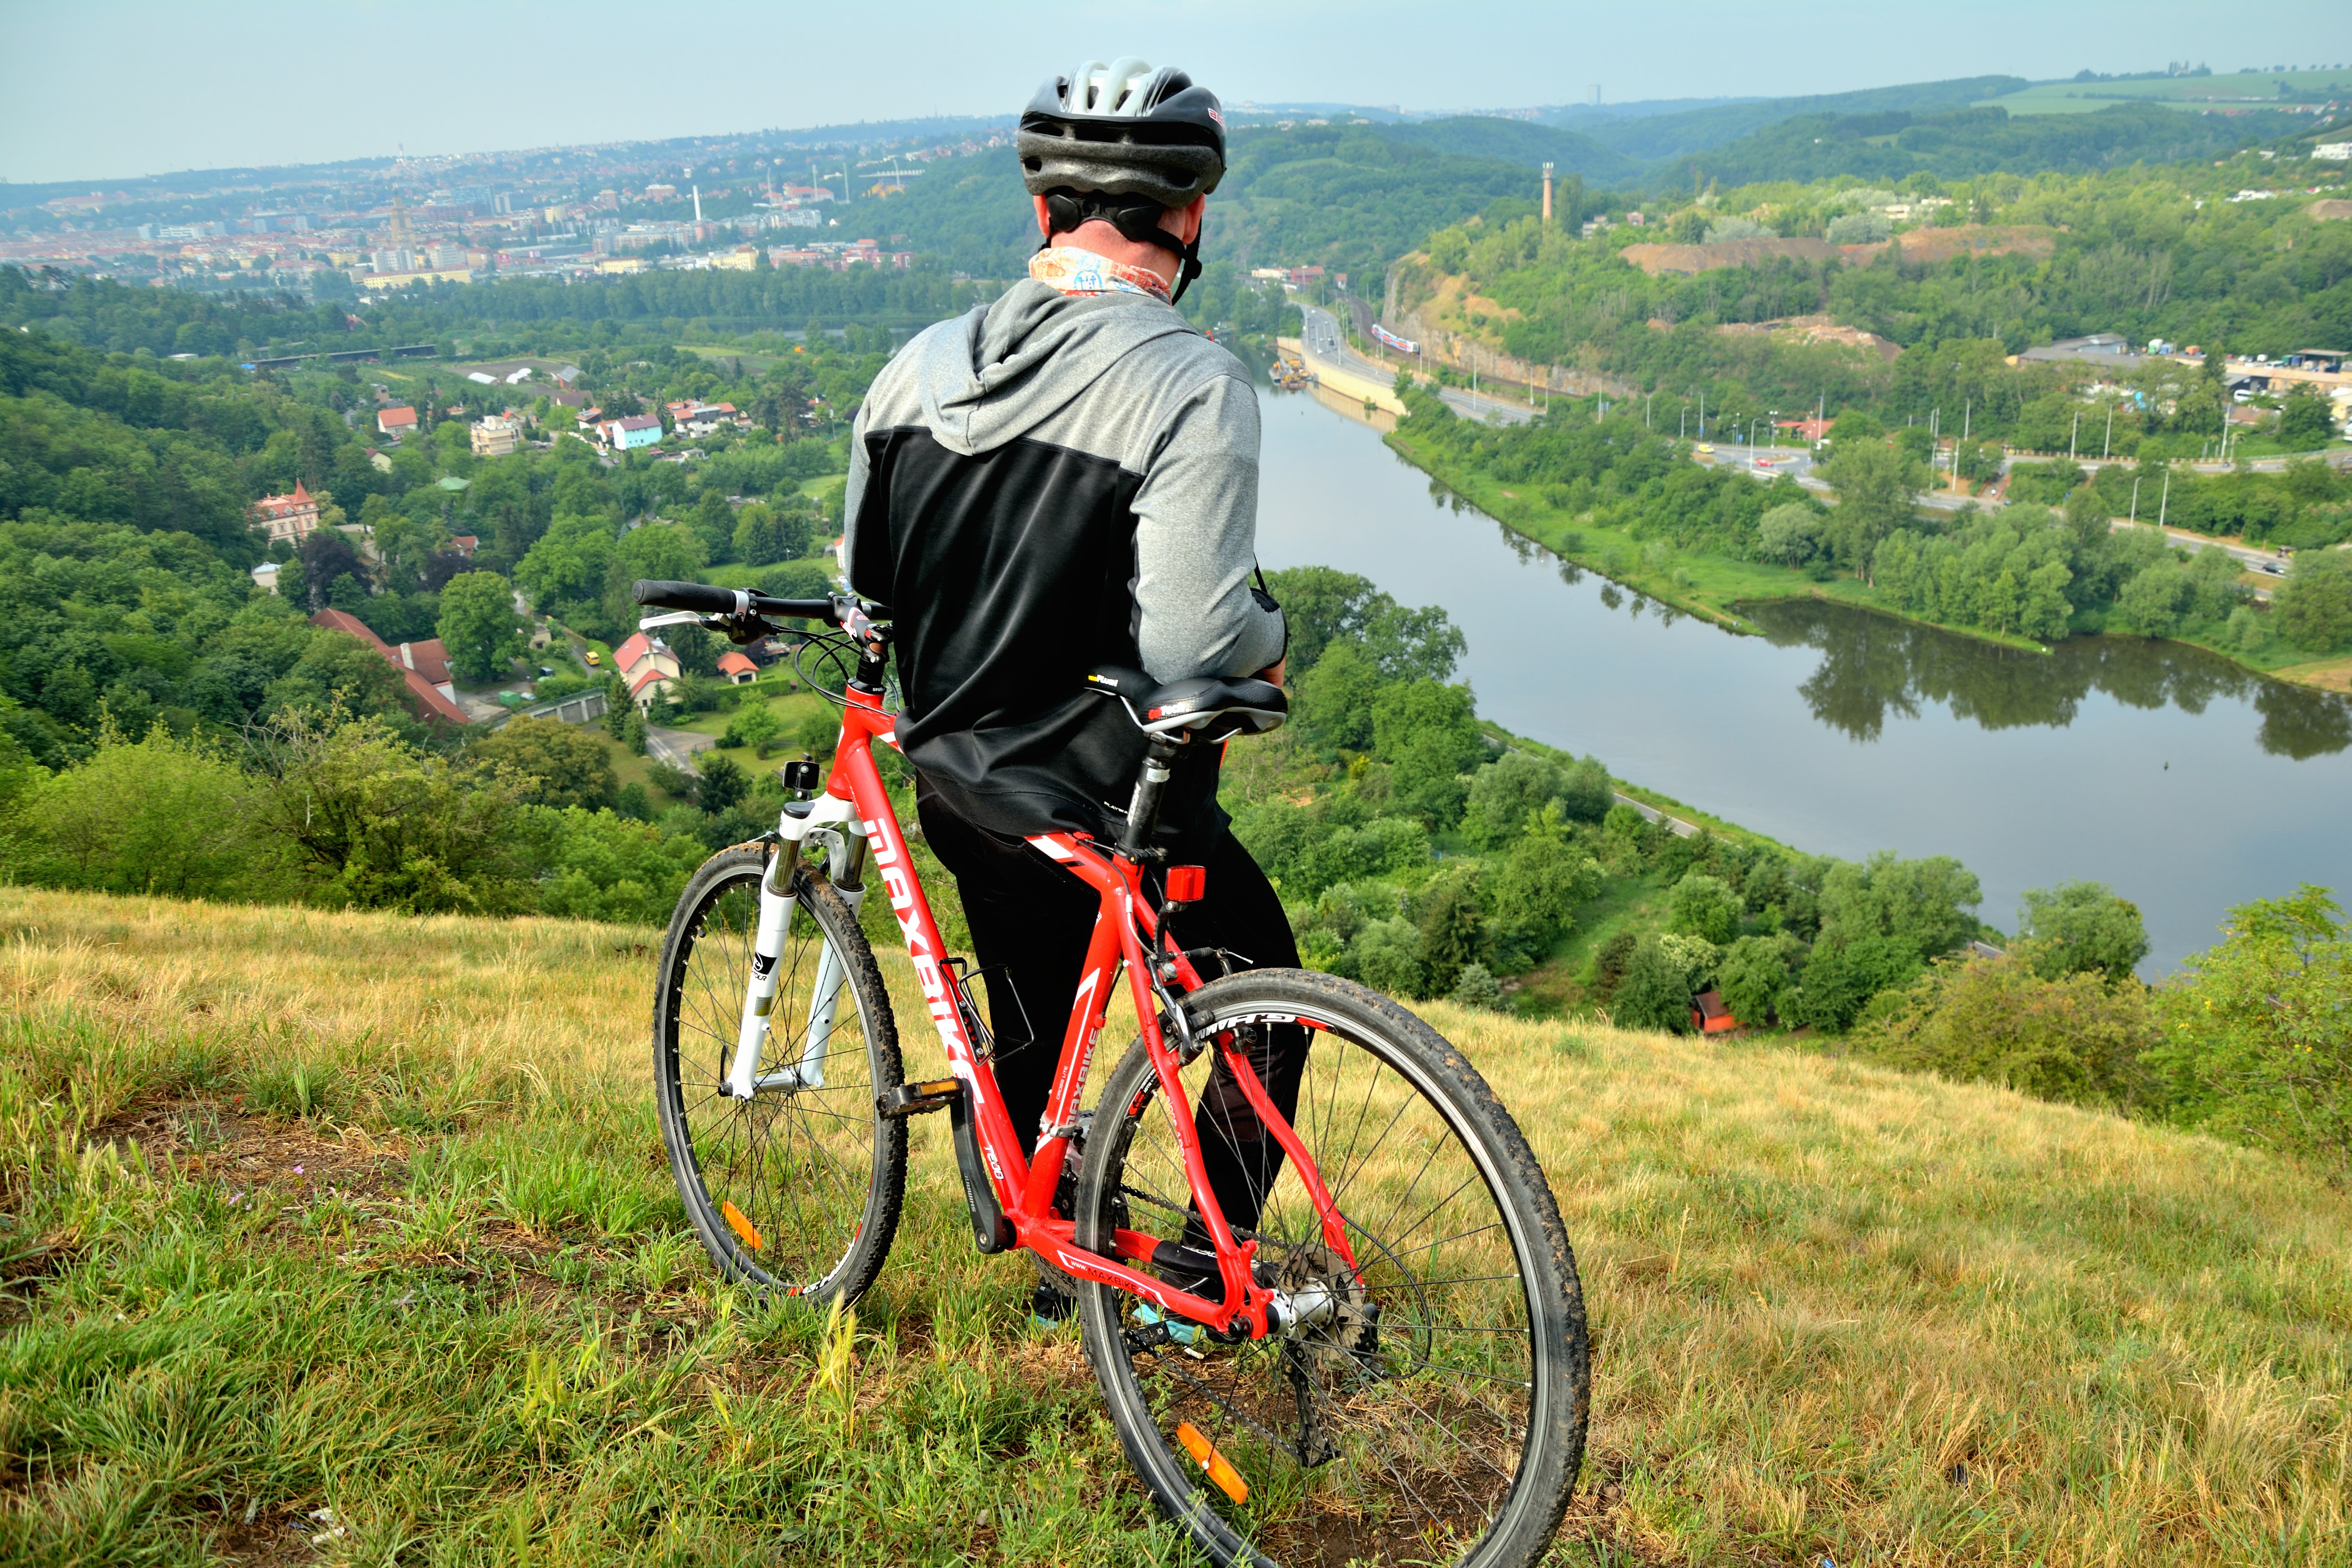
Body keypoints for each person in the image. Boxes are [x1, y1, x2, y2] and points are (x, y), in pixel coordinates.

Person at [840, 59, 1305, 1322]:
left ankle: (1054, 1253)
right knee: (1268, 999)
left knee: (1034, 1041)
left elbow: (863, 585)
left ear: (1040, 209)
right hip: (1115, 807)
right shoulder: (1190, 383)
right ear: (1190, 218)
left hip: (964, 792)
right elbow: (1204, 639)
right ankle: (1198, 1284)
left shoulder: (913, 371)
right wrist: (1275, 640)